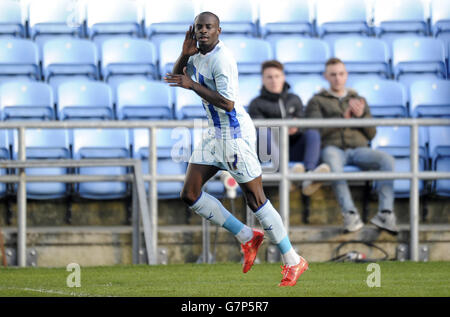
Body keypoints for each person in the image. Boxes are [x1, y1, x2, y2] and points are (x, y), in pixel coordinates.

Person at [164, 12, 308, 286]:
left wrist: (193, 85)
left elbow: (228, 103)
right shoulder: (195, 53)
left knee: (255, 199)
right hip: (213, 134)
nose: (203, 31)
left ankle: (292, 259)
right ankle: (247, 236)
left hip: (234, 135)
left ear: (219, 30)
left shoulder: (222, 58)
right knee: (190, 194)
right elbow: (175, 76)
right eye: (199, 27)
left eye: (208, 27)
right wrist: (184, 54)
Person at [305, 58, 399, 234]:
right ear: (326, 76)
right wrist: (344, 118)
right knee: (333, 164)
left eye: (341, 74)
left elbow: (372, 133)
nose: (337, 78)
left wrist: (362, 116)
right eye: (333, 74)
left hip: (358, 149)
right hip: (332, 147)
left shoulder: (359, 99)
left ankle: (386, 213)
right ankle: (349, 213)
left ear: (346, 75)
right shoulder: (317, 101)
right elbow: (314, 132)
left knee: (387, 160)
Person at [248, 60, 330, 196]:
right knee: (264, 133)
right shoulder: (256, 104)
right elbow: (259, 131)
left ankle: (309, 175)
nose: (274, 80)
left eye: (277, 76)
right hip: (269, 154)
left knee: (312, 133)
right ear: (263, 79)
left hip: (293, 147)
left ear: (283, 77)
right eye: (269, 77)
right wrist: (285, 129)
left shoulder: (295, 99)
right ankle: (285, 173)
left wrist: (297, 127)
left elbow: (302, 122)